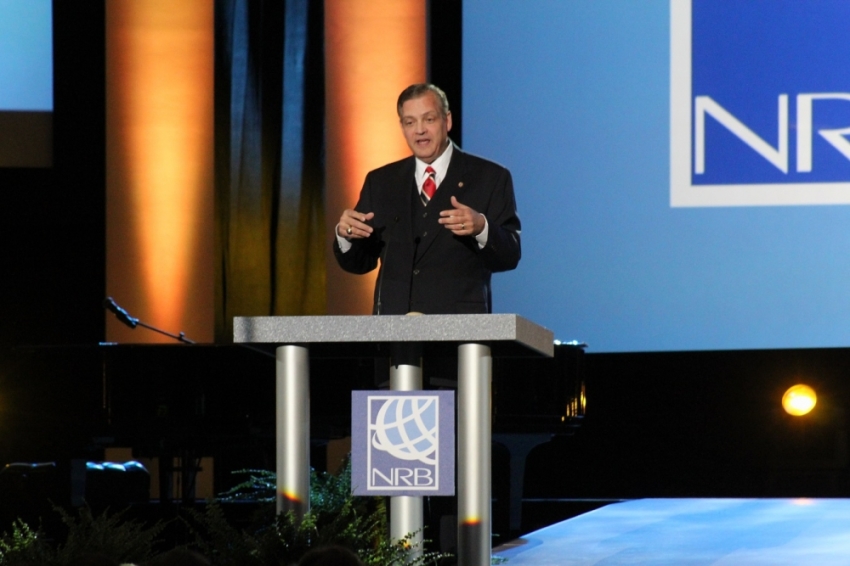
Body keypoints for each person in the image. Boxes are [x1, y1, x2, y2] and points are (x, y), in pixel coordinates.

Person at [334, 83, 521, 314]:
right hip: (393, 331)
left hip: (459, 333)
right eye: (410, 122)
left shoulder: (490, 177)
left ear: (447, 121)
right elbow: (361, 262)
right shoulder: (381, 181)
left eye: (429, 119)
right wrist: (346, 237)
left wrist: (482, 227)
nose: (419, 130)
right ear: (402, 127)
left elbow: (510, 256)